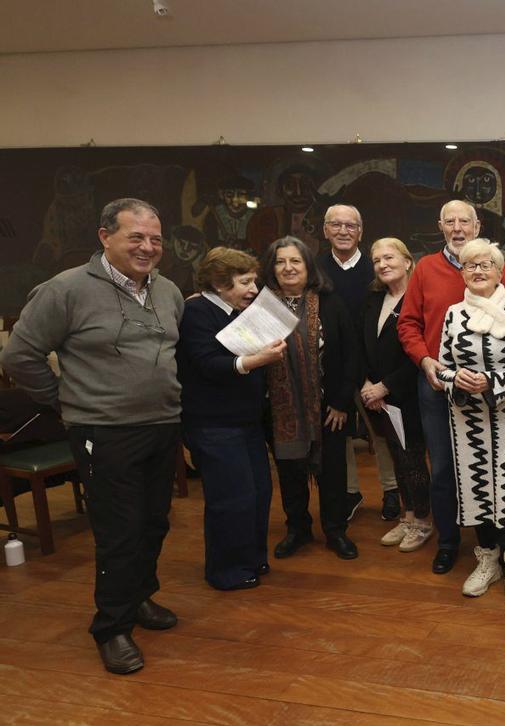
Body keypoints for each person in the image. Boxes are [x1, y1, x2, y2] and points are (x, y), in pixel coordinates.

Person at [1, 198, 185, 675]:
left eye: (155, 239)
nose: (148, 247)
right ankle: (112, 627)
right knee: (119, 530)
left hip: (162, 425)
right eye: (135, 237)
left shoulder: (168, 291)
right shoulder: (65, 290)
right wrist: (65, 401)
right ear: (105, 237)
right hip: (104, 433)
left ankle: (140, 597)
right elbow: (19, 356)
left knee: (154, 523)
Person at [397, 200, 505, 574]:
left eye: (464, 221)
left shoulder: (495, 264)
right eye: (450, 221)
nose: (457, 228)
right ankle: (449, 542)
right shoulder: (425, 268)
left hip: (492, 391)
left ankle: (502, 544)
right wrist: (426, 361)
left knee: (494, 466)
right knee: (444, 468)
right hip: (437, 381)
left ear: (477, 225)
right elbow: (407, 324)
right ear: (440, 225)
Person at [436, 239, 505, 601]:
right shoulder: (453, 314)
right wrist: (455, 379)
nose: (478, 271)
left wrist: (491, 382)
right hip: (466, 418)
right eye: (470, 265)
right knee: (474, 487)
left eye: (485, 265)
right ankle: (487, 560)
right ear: (462, 273)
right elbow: (442, 368)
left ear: (499, 272)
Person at [177, 247, 286, 591]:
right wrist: (257, 360)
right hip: (214, 423)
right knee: (230, 499)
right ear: (219, 282)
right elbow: (207, 363)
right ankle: (226, 571)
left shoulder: (237, 311)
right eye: (245, 282)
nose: (254, 289)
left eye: (253, 281)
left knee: (258, 492)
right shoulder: (196, 312)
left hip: (245, 421)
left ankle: (251, 559)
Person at [261, 236, 361, 561]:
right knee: (289, 472)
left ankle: (336, 531)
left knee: (333, 474)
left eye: (295, 261)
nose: (288, 268)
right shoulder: (261, 307)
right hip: (282, 410)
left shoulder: (330, 302)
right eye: (280, 261)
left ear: (308, 266)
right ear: (272, 268)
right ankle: (297, 530)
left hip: (329, 408)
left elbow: (351, 355)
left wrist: (342, 402)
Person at [317, 203, 398, 523]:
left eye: (350, 226)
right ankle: (350, 492)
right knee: (339, 433)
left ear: (360, 232)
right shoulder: (314, 269)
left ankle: (392, 490)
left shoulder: (375, 268)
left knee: (382, 433)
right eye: (336, 225)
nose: (343, 231)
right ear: (325, 230)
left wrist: (368, 375)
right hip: (331, 369)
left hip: (371, 368)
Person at [360, 238, 433, 551]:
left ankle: (424, 521)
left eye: (389, 257)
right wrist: (368, 383)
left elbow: (421, 352)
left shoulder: (419, 299)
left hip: (410, 393)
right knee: (397, 459)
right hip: (379, 397)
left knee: (413, 460)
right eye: (377, 260)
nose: (382, 264)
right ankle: (408, 516)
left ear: (407, 261)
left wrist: (385, 385)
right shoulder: (373, 298)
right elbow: (363, 343)